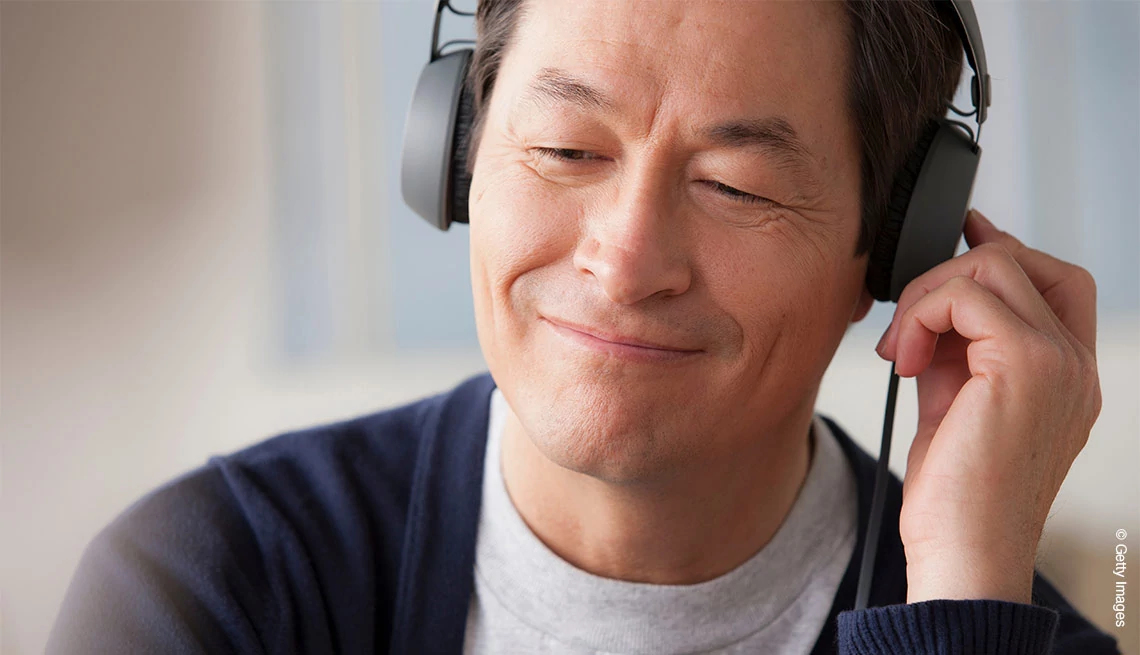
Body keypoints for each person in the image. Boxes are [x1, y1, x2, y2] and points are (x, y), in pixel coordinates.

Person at [49, 1, 1121, 653]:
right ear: (460, 152)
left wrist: (965, 599)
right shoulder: (216, 581)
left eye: (737, 185)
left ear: (892, 251)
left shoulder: (995, 627)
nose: (625, 257)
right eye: (566, 149)